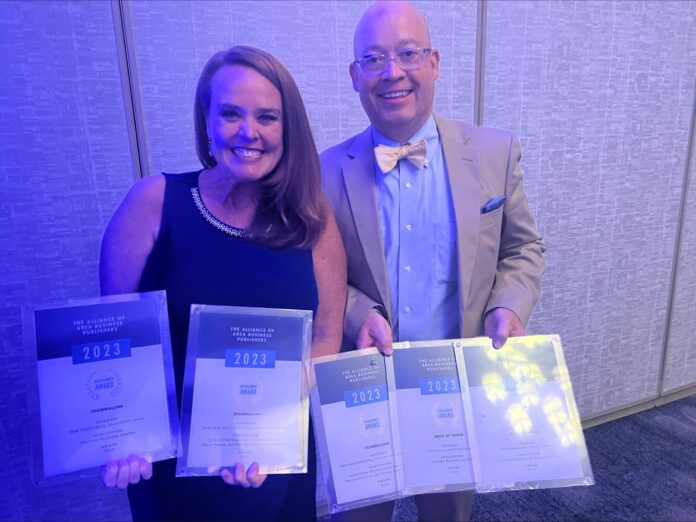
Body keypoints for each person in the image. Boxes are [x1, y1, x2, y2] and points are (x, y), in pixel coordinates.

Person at [99, 45, 347, 521]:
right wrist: (122, 433)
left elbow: (325, 337)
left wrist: (263, 423)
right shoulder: (154, 202)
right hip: (172, 468)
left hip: (271, 456)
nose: (248, 132)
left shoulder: (313, 219)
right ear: (207, 121)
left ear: (288, 129)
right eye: (230, 113)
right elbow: (116, 336)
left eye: (267, 117)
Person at [320, 1, 545, 521]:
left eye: (407, 54)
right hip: (363, 388)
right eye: (373, 60)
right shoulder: (326, 170)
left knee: (447, 514)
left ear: (435, 62)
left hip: (454, 386)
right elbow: (316, 276)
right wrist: (358, 315)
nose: (392, 72)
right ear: (354, 77)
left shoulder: (494, 152)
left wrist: (509, 307)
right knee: (361, 515)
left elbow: (522, 248)